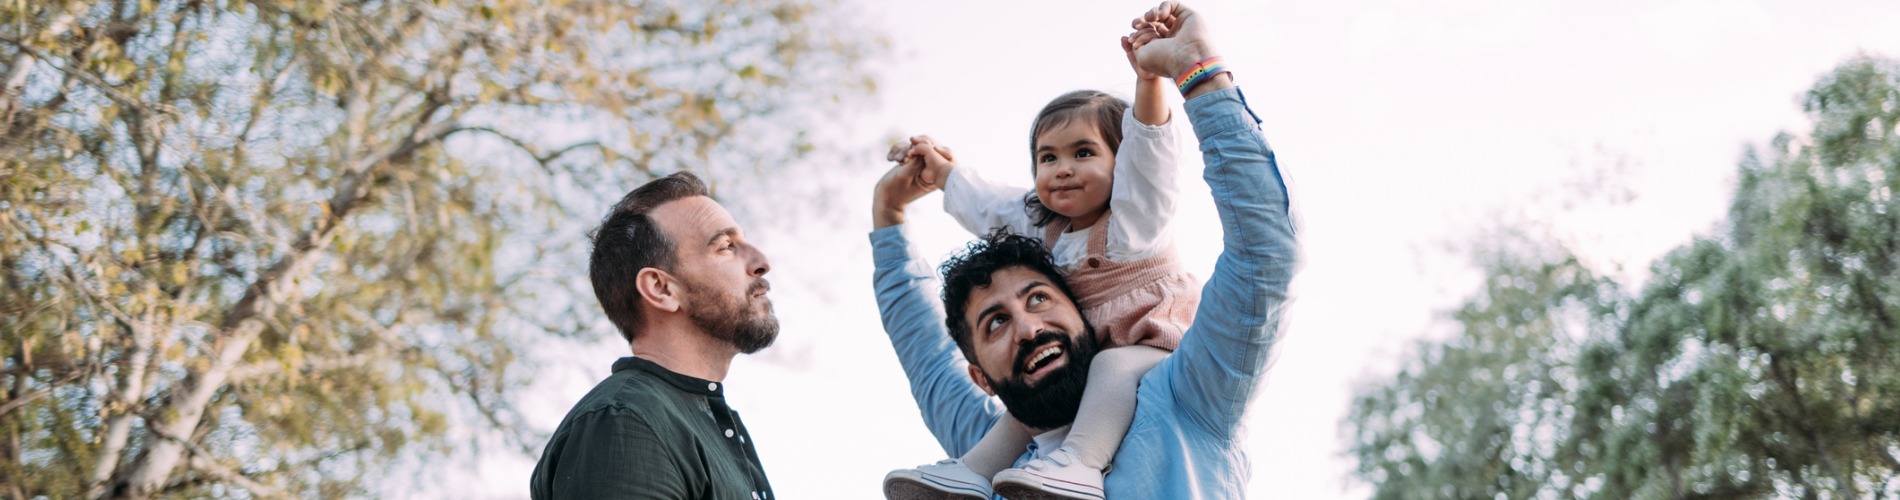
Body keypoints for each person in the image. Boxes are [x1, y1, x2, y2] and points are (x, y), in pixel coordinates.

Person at [868, 2, 1299, 498]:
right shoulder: (991, 452)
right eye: (995, 322)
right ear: (980, 376)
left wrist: (1189, 70)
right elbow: (925, 340)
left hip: (1150, 343)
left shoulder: (1187, 394)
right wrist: (893, 208)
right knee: (1015, 422)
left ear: (1076, 303)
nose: (1028, 328)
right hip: (998, 449)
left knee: (1111, 367)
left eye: (1038, 299)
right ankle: (974, 465)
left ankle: (1081, 463)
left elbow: (1263, 252)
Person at [530, 172, 780, 500]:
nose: (762, 263)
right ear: (661, 289)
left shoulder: (709, 420)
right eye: (725, 247)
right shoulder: (626, 421)